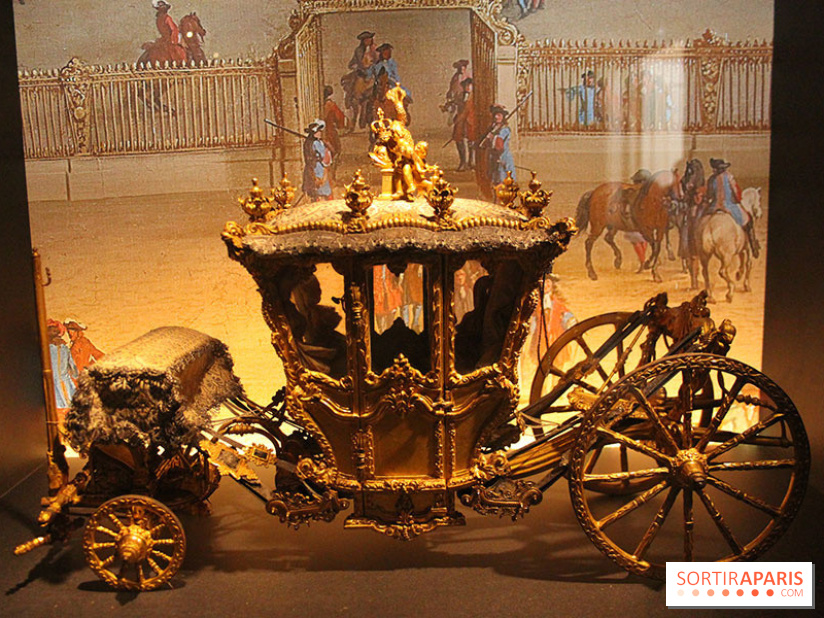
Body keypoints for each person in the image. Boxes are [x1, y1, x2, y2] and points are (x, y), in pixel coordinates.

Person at [706, 158, 760, 257]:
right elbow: (736, 192)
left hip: (713, 207)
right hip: (729, 206)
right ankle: (753, 246)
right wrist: (738, 200)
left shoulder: (711, 179)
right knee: (748, 219)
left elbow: (709, 194)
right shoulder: (729, 177)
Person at [47, 319, 78, 417]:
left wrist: (76, 376)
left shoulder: (62, 348)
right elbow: (72, 366)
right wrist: (75, 375)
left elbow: (71, 365)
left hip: (62, 382)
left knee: (65, 406)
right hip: (57, 381)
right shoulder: (60, 348)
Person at [480, 104, 515, 186]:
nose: (496, 117)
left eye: (499, 115)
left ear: (503, 117)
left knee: (503, 181)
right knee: (494, 180)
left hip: (502, 157)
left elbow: (499, 145)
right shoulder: (493, 128)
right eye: (495, 115)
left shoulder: (504, 129)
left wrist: (493, 138)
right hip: (493, 158)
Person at [302, 119, 332, 201]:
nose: (320, 133)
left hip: (310, 166)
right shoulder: (317, 143)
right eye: (318, 132)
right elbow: (323, 155)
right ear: (314, 133)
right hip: (318, 167)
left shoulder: (307, 142)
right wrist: (326, 149)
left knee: (314, 186)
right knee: (323, 185)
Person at [451, 78, 476, 171]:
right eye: (465, 85)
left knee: (471, 142)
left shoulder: (475, 97)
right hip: (461, 122)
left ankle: (471, 162)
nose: (467, 87)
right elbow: (457, 108)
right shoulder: (460, 96)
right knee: (459, 140)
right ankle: (462, 162)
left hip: (471, 121)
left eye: (469, 85)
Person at [151, 0, 187, 64]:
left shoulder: (159, 18)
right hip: (171, 38)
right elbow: (173, 29)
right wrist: (174, 40)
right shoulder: (167, 18)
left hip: (165, 38)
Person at [323, 85, 346, 181]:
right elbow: (340, 117)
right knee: (335, 151)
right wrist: (341, 126)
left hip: (324, 131)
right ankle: (331, 176)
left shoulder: (322, 104)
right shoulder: (331, 105)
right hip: (329, 131)